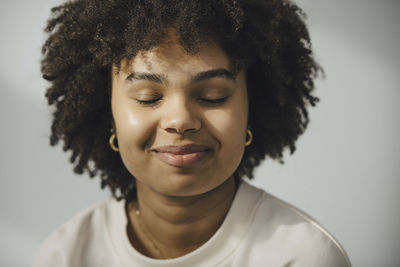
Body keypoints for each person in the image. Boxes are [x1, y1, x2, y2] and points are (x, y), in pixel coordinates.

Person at [34, 0, 351, 266]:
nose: (180, 120)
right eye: (148, 97)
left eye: (213, 95)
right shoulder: (66, 255)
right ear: (108, 113)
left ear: (252, 107)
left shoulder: (302, 256)